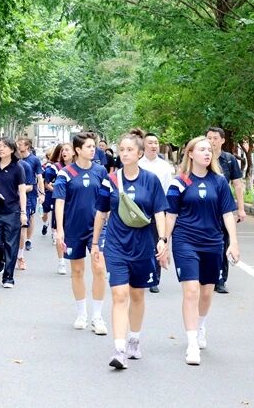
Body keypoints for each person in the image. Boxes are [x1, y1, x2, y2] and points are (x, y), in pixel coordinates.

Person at [160, 136, 240, 365]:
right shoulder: (180, 182)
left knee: (206, 292)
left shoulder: (219, 182)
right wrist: (164, 241)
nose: (207, 153)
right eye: (202, 149)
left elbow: (227, 214)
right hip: (185, 241)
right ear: (190, 154)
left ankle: (200, 325)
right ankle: (192, 343)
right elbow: (171, 215)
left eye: (209, 150)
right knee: (191, 291)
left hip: (213, 242)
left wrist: (233, 242)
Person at [92, 133, 168, 369]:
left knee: (137, 295)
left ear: (139, 153)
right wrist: (95, 244)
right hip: (116, 244)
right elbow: (101, 212)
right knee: (119, 294)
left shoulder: (151, 180)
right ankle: (119, 349)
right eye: (122, 149)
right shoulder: (110, 180)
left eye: (129, 150)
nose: (124, 153)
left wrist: (162, 239)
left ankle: (134, 339)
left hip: (143, 245)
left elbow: (159, 211)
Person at [53, 132, 110, 335]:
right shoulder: (66, 173)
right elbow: (59, 202)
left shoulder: (100, 171)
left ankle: (97, 316)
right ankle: (82, 314)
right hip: (73, 228)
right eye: (88, 146)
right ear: (78, 150)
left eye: (94, 146)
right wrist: (60, 230)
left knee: (99, 269)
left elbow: (107, 200)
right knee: (77, 271)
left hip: (97, 229)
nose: (93, 150)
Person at [0, 138, 27, 288]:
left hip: (12, 211)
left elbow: (22, 191)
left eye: (4, 146)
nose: (1, 149)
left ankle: (8, 277)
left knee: (11, 244)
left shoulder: (18, 168)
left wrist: (23, 212)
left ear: (12, 150)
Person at [205, 127, 245, 294]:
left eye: (215, 138)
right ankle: (204, 276)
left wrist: (241, 209)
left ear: (222, 140)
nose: (212, 141)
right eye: (209, 138)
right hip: (203, 208)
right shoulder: (201, 157)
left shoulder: (229, 160)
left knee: (223, 243)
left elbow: (237, 185)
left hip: (223, 208)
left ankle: (220, 279)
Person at [138, 132, 175, 294]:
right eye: (150, 143)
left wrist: (168, 212)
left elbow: (168, 190)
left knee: (157, 243)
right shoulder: (138, 164)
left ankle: (154, 278)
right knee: (140, 243)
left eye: (156, 143)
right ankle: (139, 274)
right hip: (139, 210)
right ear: (144, 145)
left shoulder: (164, 166)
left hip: (158, 210)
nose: (154, 146)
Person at [46, 143, 72, 274]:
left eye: (67, 150)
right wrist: (57, 192)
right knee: (59, 232)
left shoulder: (79, 168)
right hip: (59, 204)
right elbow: (47, 183)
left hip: (73, 206)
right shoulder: (55, 168)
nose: (64, 153)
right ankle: (61, 261)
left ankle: (74, 259)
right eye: (62, 150)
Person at [17, 137, 43, 266]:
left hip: (30, 193)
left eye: (21, 144)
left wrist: (42, 193)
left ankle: (28, 239)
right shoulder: (15, 160)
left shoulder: (34, 160)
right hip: (17, 194)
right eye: (18, 144)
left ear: (27, 146)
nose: (19, 146)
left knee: (30, 216)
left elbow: (39, 177)